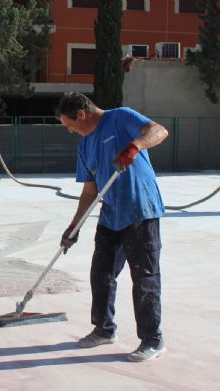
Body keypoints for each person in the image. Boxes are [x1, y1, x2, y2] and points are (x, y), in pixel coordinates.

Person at [56, 92, 168, 362]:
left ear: (81, 115)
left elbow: (158, 130)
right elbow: (89, 191)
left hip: (140, 209)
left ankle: (152, 339)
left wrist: (136, 145)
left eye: (69, 125)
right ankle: (104, 329)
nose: (70, 131)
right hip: (111, 214)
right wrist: (75, 226)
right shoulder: (85, 145)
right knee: (101, 273)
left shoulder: (120, 118)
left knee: (144, 276)